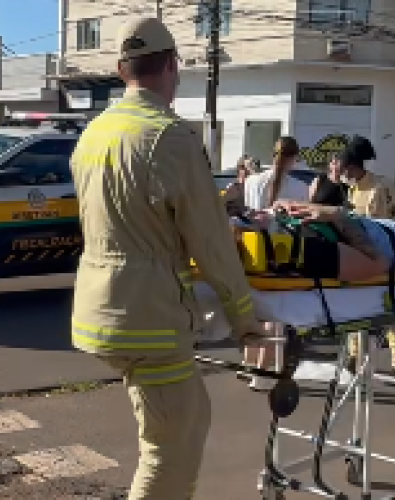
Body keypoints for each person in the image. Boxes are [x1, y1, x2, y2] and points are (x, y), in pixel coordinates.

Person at [68, 17, 270, 500]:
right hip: (147, 319)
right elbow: (212, 243)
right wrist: (245, 319)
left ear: (121, 70)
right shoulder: (170, 137)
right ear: (173, 67)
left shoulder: (92, 134)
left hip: (98, 310)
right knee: (170, 448)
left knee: (181, 421)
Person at [234, 199, 395, 281]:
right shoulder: (308, 253)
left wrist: (292, 207)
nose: (256, 213)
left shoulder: (283, 236)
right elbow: (378, 262)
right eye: (250, 218)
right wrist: (336, 215)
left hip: (376, 228)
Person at [241, 136, 310, 391]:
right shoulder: (300, 189)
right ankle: (262, 373)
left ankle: (249, 364)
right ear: (294, 158)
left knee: (253, 310)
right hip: (281, 253)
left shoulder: (251, 182)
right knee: (276, 316)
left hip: (252, 250)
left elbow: (247, 216)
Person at [339, 135, 395, 378]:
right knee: (355, 307)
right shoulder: (350, 191)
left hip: (386, 252)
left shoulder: (382, 186)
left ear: (355, 165)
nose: (344, 171)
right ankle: (353, 355)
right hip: (359, 255)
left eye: (346, 167)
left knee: (390, 306)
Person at [243, 136, 309, 210]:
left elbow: (247, 213)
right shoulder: (300, 187)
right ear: (295, 158)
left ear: (273, 154)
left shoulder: (250, 181)